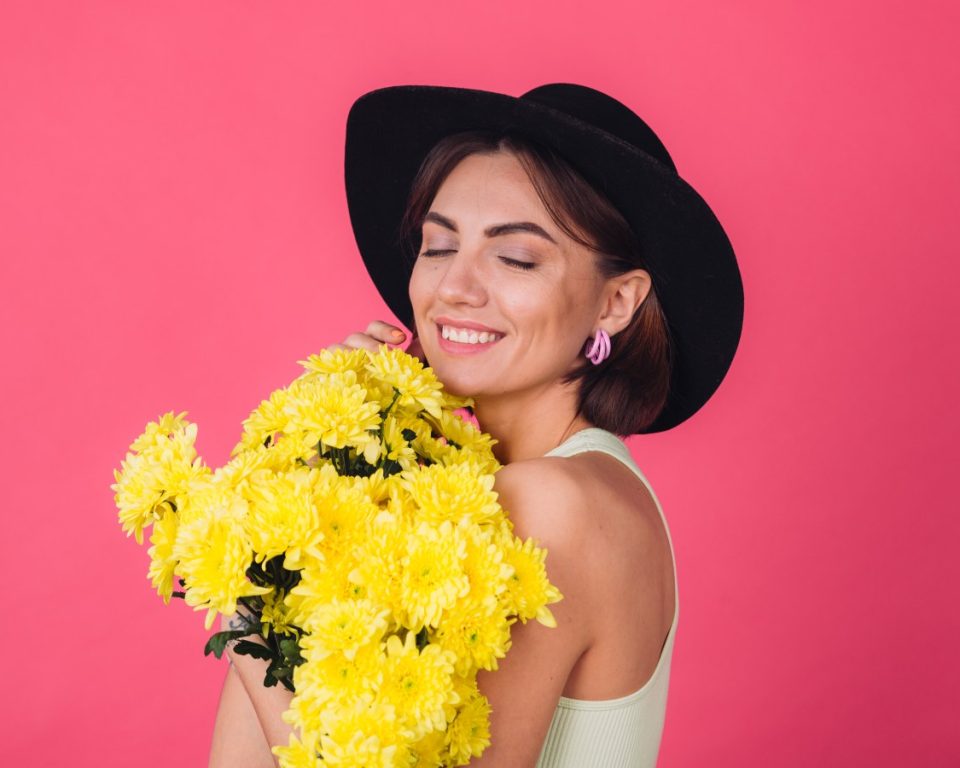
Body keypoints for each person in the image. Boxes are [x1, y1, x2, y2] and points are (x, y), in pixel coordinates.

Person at [208, 83, 744, 767]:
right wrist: (324, 479)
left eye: (515, 257)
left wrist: (251, 583)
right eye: (437, 247)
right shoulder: (503, 493)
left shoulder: (553, 506)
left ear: (615, 302)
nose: (455, 287)